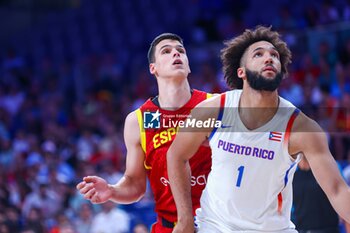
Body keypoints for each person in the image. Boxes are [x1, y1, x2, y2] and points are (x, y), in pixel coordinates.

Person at [167, 26, 350, 233]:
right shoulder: (211, 111)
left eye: (274, 55)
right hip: (215, 226)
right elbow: (176, 155)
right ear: (241, 71)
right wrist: (184, 219)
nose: (269, 58)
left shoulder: (302, 128)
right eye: (259, 54)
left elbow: (336, 190)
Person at [76, 33, 212, 233]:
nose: (176, 53)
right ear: (153, 68)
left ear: (188, 65)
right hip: (169, 227)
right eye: (166, 51)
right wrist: (112, 190)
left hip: (217, 224)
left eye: (180, 51)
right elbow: (135, 185)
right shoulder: (139, 120)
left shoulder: (214, 105)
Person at [292, 156, 340, 233]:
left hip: (328, 229)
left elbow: (341, 199)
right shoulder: (291, 175)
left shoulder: (327, 171)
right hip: (301, 230)